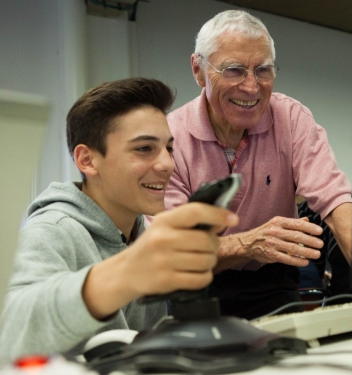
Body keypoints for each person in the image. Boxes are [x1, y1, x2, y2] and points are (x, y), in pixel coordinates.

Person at [0, 78, 238, 363]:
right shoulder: (51, 231)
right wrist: (124, 275)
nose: (167, 165)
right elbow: (8, 327)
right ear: (87, 160)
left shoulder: (139, 230)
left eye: (169, 148)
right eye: (144, 149)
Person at [158, 9, 352, 321]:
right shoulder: (170, 139)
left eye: (263, 71)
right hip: (197, 290)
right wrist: (247, 244)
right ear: (198, 70)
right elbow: (171, 250)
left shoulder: (291, 119)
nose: (252, 87)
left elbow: (335, 199)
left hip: (275, 285)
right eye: (234, 70)